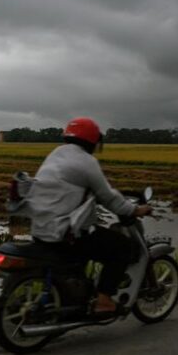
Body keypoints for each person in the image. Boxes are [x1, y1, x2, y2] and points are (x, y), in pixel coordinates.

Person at [19, 117, 152, 315]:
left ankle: (77, 294)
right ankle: (104, 301)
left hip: (41, 229)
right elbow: (108, 197)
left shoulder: (56, 155)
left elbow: (68, 190)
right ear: (93, 141)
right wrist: (134, 210)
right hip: (66, 233)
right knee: (122, 247)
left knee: (89, 246)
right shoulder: (86, 162)